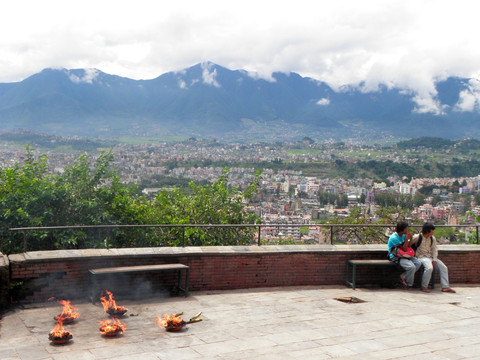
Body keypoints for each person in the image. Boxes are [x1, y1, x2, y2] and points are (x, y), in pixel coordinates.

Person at [412, 222, 456, 293]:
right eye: (432, 230)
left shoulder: (432, 238)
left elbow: (434, 249)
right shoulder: (417, 237)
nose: (433, 232)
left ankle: (445, 286)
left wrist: (435, 259)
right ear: (428, 230)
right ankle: (424, 286)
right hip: (421, 257)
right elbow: (409, 242)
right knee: (429, 268)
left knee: (443, 267)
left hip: (430, 257)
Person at [388, 221, 421, 289]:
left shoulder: (403, 235)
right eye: (406, 228)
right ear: (402, 229)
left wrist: (410, 238)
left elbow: (408, 246)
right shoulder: (394, 238)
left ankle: (403, 276)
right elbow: (404, 248)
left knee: (418, 263)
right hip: (397, 256)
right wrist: (406, 239)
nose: (407, 230)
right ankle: (409, 284)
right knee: (411, 267)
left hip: (405, 255)